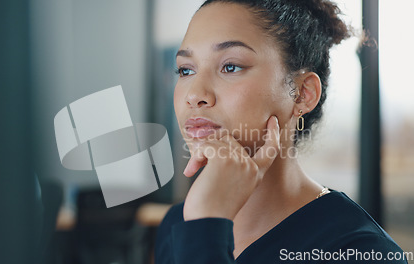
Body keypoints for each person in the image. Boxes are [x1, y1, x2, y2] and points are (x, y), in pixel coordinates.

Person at [154, 0, 408, 263]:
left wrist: (204, 230)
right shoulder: (181, 223)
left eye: (230, 67)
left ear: (302, 94)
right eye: (186, 70)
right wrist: (202, 222)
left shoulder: (360, 252)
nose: (195, 95)